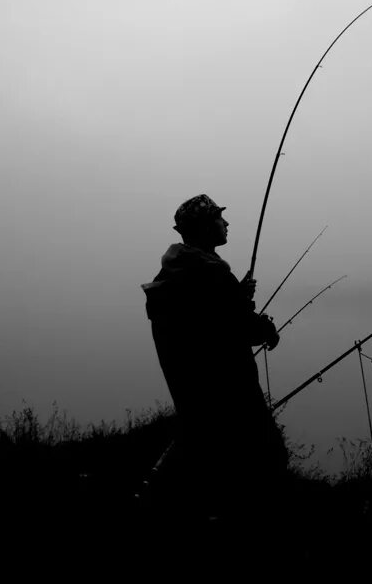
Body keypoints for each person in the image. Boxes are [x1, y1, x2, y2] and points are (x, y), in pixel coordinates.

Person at [141, 194, 285, 522]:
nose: (227, 223)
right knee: (268, 459)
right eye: (220, 218)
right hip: (228, 392)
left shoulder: (174, 273)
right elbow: (239, 328)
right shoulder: (212, 274)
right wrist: (266, 328)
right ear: (206, 228)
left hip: (194, 392)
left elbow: (207, 318)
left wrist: (237, 296)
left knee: (207, 467)